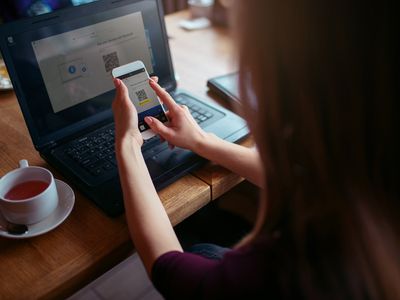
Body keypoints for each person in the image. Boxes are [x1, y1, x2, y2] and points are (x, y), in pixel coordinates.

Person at [112, 0, 400, 299]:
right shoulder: (372, 176)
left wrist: (127, 144)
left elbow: (168, 268)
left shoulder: (284, 273)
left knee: (203, 251)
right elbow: (308, 184)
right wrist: (202, 141)